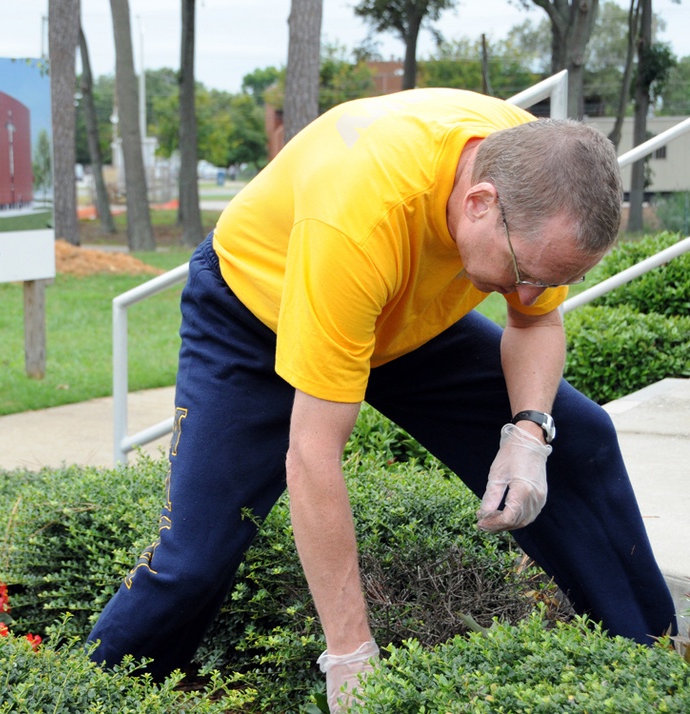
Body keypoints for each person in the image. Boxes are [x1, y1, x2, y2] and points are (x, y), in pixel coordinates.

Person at [85, 88, 679, 711]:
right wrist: (349, 652)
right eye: (526, 276)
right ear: (479, 203)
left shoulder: (539, 169)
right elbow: (313, 454)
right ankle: (91, 695)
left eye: (552, 282)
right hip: (259, 315)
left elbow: (533, 324)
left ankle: (650, 665)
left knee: (579, 442)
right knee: (192, 563)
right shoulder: (360, 216)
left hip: (400, 310)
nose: (530, 296)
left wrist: (529, 434)